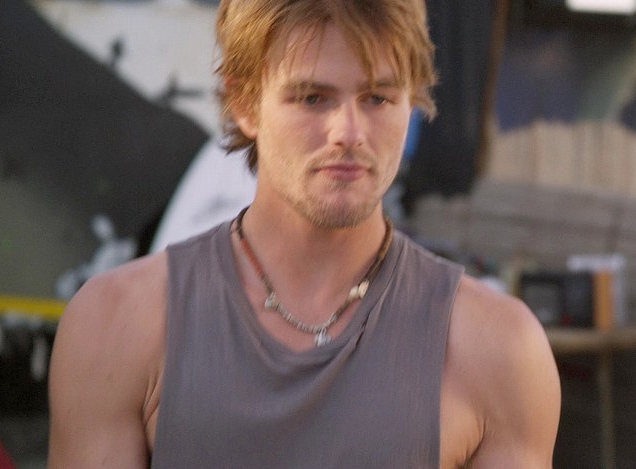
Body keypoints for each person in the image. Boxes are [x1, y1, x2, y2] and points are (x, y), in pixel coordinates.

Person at [47, 0, 561, 467]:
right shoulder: (118, 324)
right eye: (313, 97)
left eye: (378, 98)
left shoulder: (498, 350)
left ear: (411, 103)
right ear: (245, 103)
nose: (349, 133)